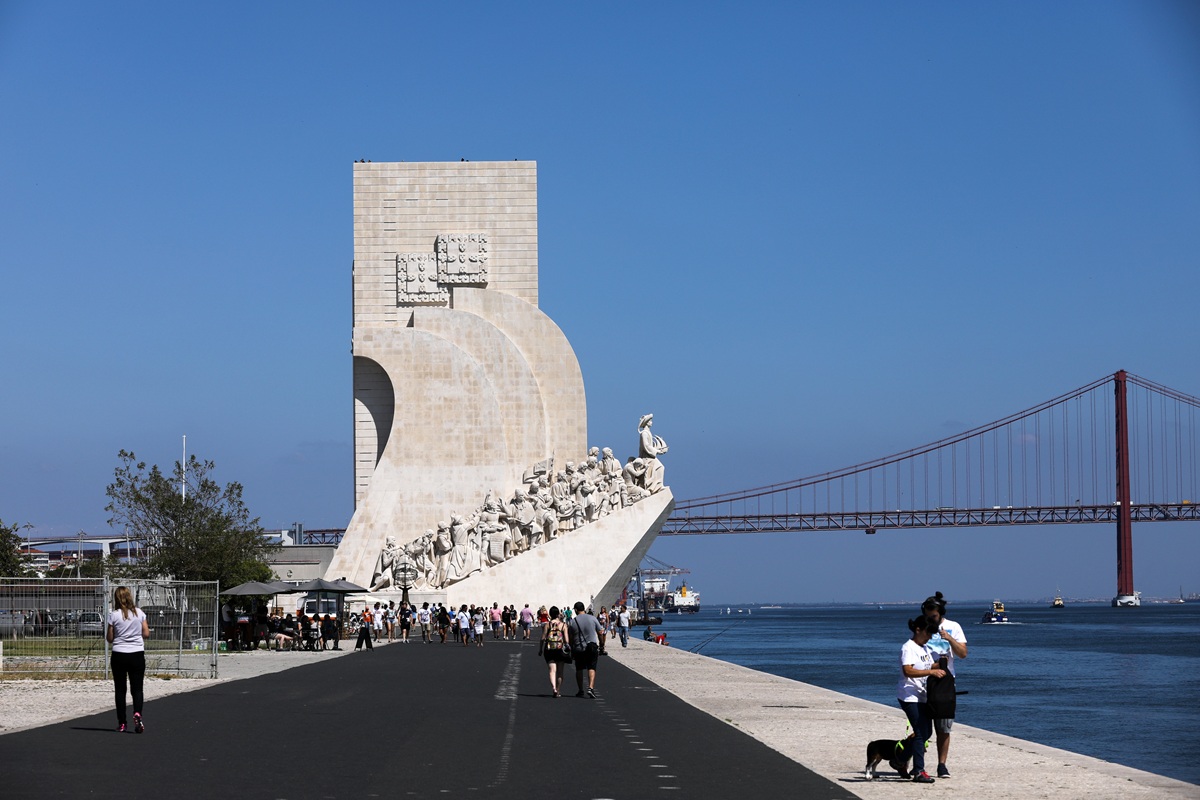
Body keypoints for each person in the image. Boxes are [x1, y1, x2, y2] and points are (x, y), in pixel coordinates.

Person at [922, 592, 968, 779]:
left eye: (933, 616)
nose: (930, 619)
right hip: (922, 681)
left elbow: (963, 653)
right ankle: (917, 764)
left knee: (943, 727)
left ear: (940, 613)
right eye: (927, 616)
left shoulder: (953, 627)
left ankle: (942, 765)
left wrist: (949, 638)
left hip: (944, 683)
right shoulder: (922, 626)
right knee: (921, 728)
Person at [897, 614, 945, 784]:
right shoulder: (908, 648)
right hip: (909, 695)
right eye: (928, 633)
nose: (929, 637)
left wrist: (941, 663)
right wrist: (932, 672)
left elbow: (927, 665)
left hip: (923, 696)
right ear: (918, 630)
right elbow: (908, 671)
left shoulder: (924, 648)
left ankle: (899, 760)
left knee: (926, 733)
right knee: (919, 733)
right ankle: (918, 771)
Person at [107, 586, 150, 733]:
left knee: (120, 690)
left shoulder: (114, 615)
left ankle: (122, 723)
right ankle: (137, 713)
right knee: (137, 688)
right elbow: (146, 633)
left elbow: (110, 638)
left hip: (119, 654)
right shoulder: (139, 613)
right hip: (137, 653)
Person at [568, 601, 602, 698]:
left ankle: (580, 690)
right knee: (591, 667)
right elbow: (600, 632)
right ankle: (590, 688)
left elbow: (570, 637)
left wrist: (571, 649)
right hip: (591, 647)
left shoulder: (572, 622)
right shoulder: (592, 618)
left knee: (579, 669)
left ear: (575, 610)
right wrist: (601, 644)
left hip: (579, 648)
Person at [540, 606, 571, 697]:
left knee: (552, 670)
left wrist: (540, 649)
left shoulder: (548, 624)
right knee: (560, 672)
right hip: (560, 649)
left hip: (549, 649)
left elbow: (543, 638)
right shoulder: (563, 625)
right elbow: (567, 640)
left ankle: (553, 688)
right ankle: (558, 690)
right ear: (558, 614)